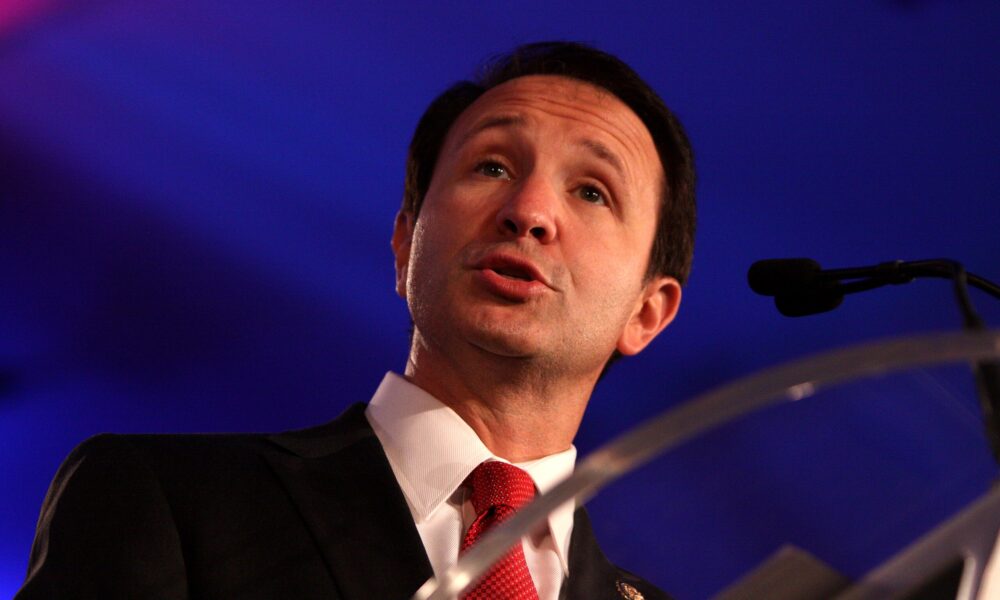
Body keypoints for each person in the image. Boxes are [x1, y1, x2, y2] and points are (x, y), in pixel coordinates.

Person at [16, 41, 695, 600]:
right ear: (404, 246)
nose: (529, 211)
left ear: (648, 312)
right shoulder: (164, 499)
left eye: (591, 191)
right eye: (491, 166)